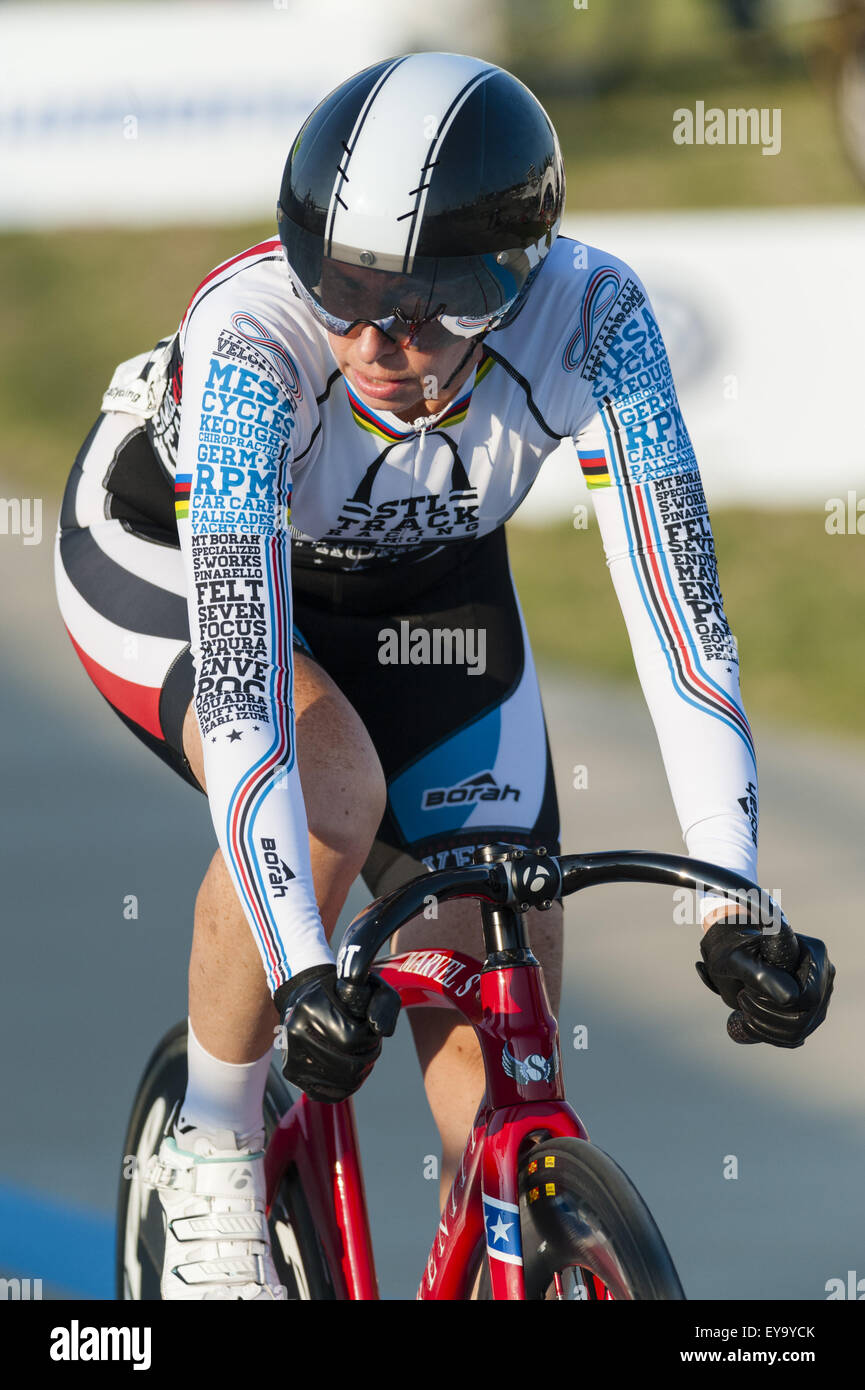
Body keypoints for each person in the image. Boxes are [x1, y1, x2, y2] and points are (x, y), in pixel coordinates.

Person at [55, 52, 833, 1300]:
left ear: (514, 277)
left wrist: (731, 894)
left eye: (423, 306)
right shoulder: (253, 343)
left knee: (491, 973)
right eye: (341, 291)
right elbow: (253, 697)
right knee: (336, 791)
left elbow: (680, 623)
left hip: (424, 591)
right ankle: (211, 1144)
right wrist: (306, 965)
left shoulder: (600, 321)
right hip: (163, 552)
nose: (372, 340)